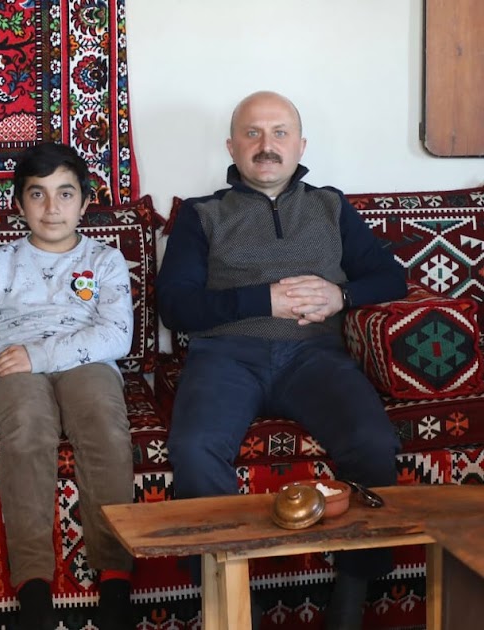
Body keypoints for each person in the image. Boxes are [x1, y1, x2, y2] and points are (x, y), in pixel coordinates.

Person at [156, 91, 406, 630]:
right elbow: (175, 306)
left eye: (279, 133)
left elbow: (392, 278)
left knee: (373, 442)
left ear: (300, 145)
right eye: (252, 133)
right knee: (194, 450)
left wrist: (342, 296)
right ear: (231, 146)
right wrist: (261, 300)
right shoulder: (201, 215)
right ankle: (229, 605)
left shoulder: (330, 206)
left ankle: (349, 603)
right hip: (226, 357)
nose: (266, 145)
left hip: (315, 356)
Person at [0, 142, 135, 629]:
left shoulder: (105, 260)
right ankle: (33, 588)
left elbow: (117, 335)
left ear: (85, 203)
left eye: (65, 194)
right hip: (13, 368)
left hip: (87, 361)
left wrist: (40, 353)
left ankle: (115, 579)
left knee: (103, 422)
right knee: (28, 427)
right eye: (38, 194)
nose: (52, 208)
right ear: (19, 203)